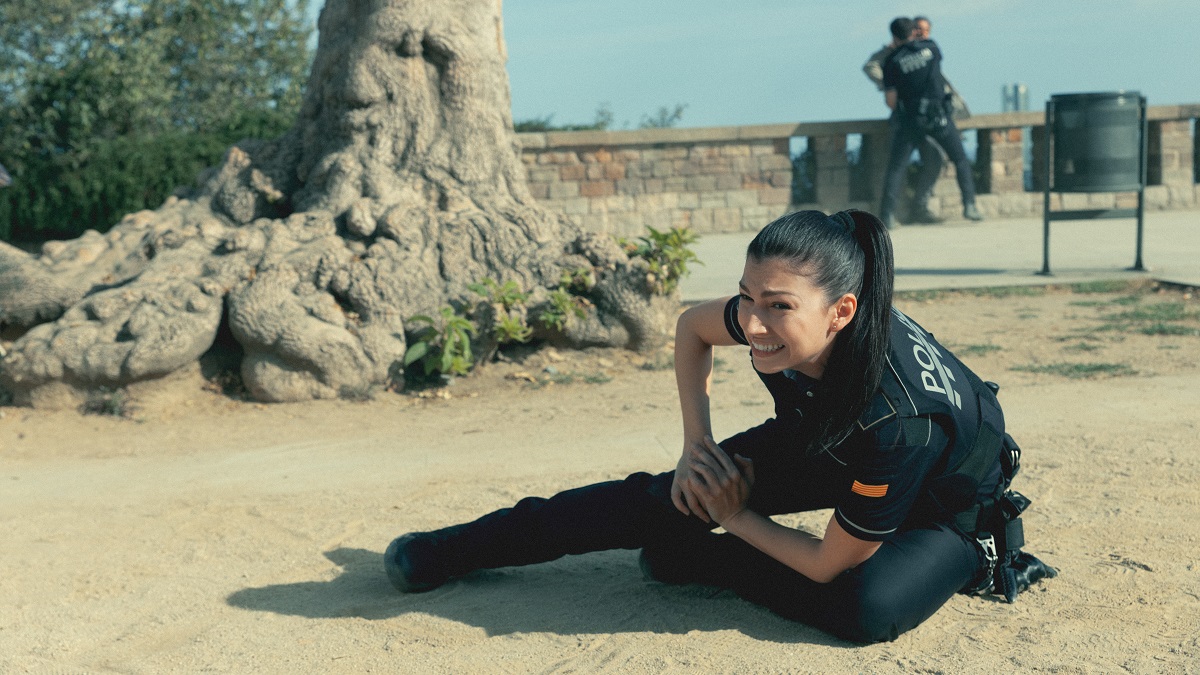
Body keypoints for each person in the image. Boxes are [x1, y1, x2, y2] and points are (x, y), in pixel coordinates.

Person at [383, 209, 1054, 643]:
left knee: (864, 605)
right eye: (748, 296)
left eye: (778, 306)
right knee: (671, 495)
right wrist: (697, 447)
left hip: (943, 502)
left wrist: (731, 520)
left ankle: (708, 558)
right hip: (828, 435)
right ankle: (454, 549)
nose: (754, 323)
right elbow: (690, 329)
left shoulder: (897, 423)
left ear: (842, 311)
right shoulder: (779, 316)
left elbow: (824, 562)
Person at [880, 18, 984, 229]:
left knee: (897, 167)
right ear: (914, 32)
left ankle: (887, 215)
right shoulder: (932, 47)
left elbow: (891, 102)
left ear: (893, 36)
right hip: (938, 118)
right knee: (960, 159)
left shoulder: (891, 61)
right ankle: (970, 205)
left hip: (910, 120)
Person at [863, 18, 943, 227]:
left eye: (927, 30)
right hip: (905, 119)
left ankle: (920, 207)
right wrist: (891, 85)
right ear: (912, 32)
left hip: (929, 118)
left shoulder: (928, 52)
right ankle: (888, 214)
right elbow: (870, 67)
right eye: (919, 30)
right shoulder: (894, 56)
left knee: (934, 160)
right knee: (897, 167)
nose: (923, 34)